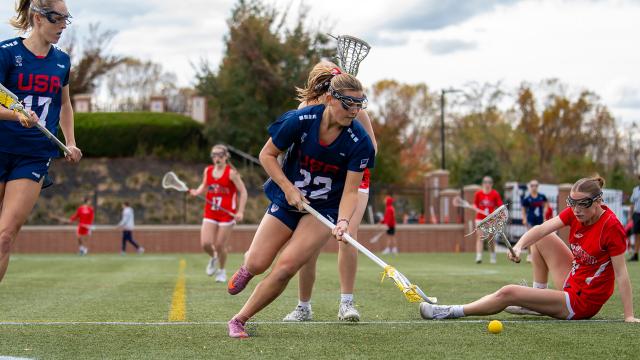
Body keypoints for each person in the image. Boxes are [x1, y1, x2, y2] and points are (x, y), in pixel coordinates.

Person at [226, 73, 375, 338]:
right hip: (287, 201)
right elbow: (267, 155)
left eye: (359, 105)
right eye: (347, 104)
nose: (353, 111)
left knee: (285, 268)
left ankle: (239, 319)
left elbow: (351, 191)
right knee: (258, 262)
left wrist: (342, 221)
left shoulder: (359, 141)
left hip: (324, 209)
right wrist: (288, 187)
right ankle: (248, 268)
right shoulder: (301, 120)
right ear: (329, 98)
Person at [420, 176, 639, 323]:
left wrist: (629, 316)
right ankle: (538, 298)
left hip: (582, 303)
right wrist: (519, 246)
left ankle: (450, 311)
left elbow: (621, 273)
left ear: (598, 201)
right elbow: (541, 229)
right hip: (572, 281)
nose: (576, 210)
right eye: (572, 203)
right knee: (542, 236)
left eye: (583, 204)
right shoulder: (575, 213)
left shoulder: (611, 227)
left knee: (509, 293)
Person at [282, 62, 378, 323]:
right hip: (318, 180)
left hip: (352, 182)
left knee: (346, 236)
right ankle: (304, 306)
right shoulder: (306, 111)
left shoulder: (356, 111)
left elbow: (372, 152)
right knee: (308, 247)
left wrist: (346, 152)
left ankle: (346, 303)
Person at [0, 0, 81, 282]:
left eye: (66, 20)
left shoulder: (62, 61)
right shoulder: (6, 53)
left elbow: (65, 104)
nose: (62, 27)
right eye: (57, 20)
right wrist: (15, 115)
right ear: (37, 17)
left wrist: (70, 141)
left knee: (5, 237)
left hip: (33, 156)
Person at [190, 144, 247, 283]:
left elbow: (243, 191)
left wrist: (240, 211)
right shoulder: (208, 170)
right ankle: (214, 257)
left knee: (220, 245)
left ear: (226, 156)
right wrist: (197, 192)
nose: (217, 158)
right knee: (206, 243)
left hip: (227, 215)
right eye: (214, 155)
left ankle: (221, 271)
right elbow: (204, 185)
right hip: (210, 212)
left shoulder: (231, 173)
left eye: (220, 155)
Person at [473, 176, 503, 264]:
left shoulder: (495, 194)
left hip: (491, 219)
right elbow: (475, 205)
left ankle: (493, 255)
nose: (487, 184)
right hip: (480, 218)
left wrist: (497, 214)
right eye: (485, 182)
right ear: (482, 184)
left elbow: (500, 206)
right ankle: (479, 256)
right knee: (480, 237)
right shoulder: (478, 194)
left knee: (491, 238)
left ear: (492, 184)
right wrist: (475, 207)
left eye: (489, 182)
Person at [521, 180, 549, 262]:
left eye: (536, 185)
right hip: (531, 219)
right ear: (530, 186)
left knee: (541, 237)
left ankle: (541, 255)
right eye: (532, 185)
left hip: (540, 219)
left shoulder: (542, 196)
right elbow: (523, 209)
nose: (534, 187)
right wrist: (524, 218)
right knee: (530, 237)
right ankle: (530, 254)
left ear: (538, 186)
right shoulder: (527, 198)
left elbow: (546, 205)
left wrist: (545, 214)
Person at [628, 177, 640, 261]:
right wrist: (630, 215)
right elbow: (632, 203)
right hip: (637, 214)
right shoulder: (635, 190)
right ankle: (635, 255)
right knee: (636, 235)